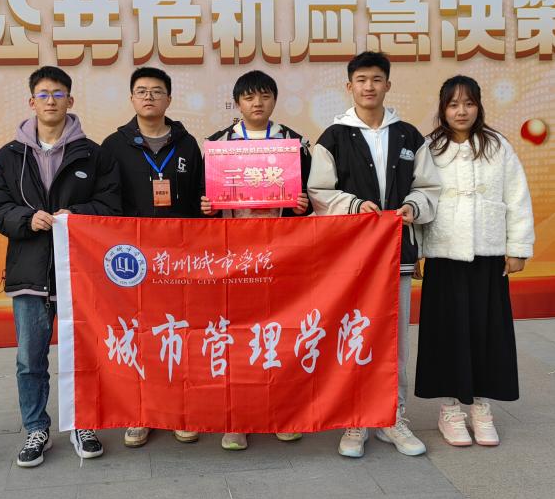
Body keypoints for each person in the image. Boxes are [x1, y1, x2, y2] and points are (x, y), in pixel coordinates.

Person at [0, 66, 121, 466]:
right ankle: (36, 428)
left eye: (58, 94)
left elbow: (111, 203)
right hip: (29, 272)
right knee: (30, 359)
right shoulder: (9, 156)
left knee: (85, 355)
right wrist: (26, 219)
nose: (50, 101)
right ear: (31, 102)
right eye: (43, 94)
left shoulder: (94, 154)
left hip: (80, 275)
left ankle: (84, 423)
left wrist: (75, 215)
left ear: (70, 101)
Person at [308, 50, 440, 459]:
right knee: (353, 335)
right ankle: (355, 419)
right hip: (350, 258)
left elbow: (429, 187)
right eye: (361, 80)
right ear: (349, 86)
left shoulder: (409, 136)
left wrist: (414, 206)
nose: (369, 86)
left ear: (388, 85)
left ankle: (392, 417)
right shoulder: (333, 137)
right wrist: (352, 205)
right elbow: (319, 191)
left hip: (397, 252)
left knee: (395, 339)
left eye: (376, 79)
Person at [415, 75, 534, 447]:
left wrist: (518, 247)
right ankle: (450, 410)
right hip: (443, 254)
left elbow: (517, 196)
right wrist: (417, 251)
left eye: (469, 103)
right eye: (453, 104)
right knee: (445, 333)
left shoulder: (498, 146)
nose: (461, 111)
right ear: (442, 109)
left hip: (487, 253)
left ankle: (482, 407)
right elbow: (419, 198)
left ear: (479, 106)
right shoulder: (429, 148)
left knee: (487, 332)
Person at [201, 69, 312, 451]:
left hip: (282, 255)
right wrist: (207, 208)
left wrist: (302, 206)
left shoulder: (295, 143)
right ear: (237, 103)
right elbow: (204, 201)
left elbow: (310, 198)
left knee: (279, 334)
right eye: (249, 97)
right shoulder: (218, 144)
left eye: (264, 96)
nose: (257, 103)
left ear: (274, 100)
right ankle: (238, 418)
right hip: (234, 257)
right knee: (236, 334)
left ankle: (280, 413)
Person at [101, 66, 205, 449]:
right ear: (132, 98)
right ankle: (140, 412)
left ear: (169, 99)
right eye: (142, 91)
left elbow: (199, 201)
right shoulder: (113, 146)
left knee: (178, 334)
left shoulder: (188, 145)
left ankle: (179, 409)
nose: (149, 96)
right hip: (132, 261)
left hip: (179, 258)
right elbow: (104, 204)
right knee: (139, 334)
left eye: (157, 91)